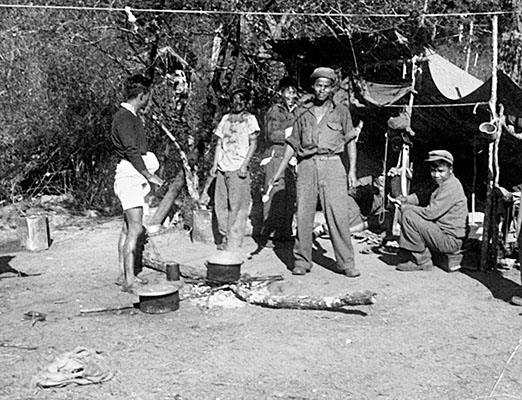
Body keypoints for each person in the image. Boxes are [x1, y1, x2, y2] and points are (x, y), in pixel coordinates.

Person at [271, 67, 363, 277]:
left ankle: (346, 262)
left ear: (331, 89)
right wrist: (279, 171)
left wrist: (352, 171)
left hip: (333, 165)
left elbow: (350, 142)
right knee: (304, 214)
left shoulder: (341, 111)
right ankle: (302, 261)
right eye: (318, 85)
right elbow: (292, 144)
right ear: (313, 87)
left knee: (338, 214)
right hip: (307, 165)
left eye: (326, 86)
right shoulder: (302, 112)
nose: (322, 90)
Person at [111, 74, 164, 292]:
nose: (148, 100)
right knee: (134, 229)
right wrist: (148, 174)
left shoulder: (130, 116)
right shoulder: (124, 118)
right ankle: (129, 279)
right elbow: (131, 150)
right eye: (148, 96)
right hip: (130, 176)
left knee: (127, 228)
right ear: (141, 96)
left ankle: (124, 273)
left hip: (132, 176)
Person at [390, 150, 468, 272]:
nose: (436, 175)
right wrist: (406, 199)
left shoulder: (451, 185)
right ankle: (416, 252)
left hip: (450, 240)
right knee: (405, 213)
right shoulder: (441, 183)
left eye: (441, 171)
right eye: (433, 171)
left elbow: (430, 213)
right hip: (439, 233)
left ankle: (421, 260)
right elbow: (423, 197)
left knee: (408, 215)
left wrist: (406, 207)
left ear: (450, 169)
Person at [210, 88, 259, 251]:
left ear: (246, 103)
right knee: (221, 204)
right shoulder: (225, 119)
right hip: (223, 167)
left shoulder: (250, 120)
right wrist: (215, 164)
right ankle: (224, 236)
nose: (237, 104)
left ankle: (235, 239)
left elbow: (253, 144)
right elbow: (219, 143)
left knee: (237, 205)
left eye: (241, 101)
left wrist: (245, 165)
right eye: (234, 100)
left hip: (238, 167)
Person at [259, 77, 298, 246]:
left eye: (293, 91)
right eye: (287, 91)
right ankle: (268, 234)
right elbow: (271, 135)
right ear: (280, 93)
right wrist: (290, 134)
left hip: (293, 155)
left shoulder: (298, 111)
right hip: (277, 152)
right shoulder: (275, 111)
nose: (290, 95)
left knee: (289, 193)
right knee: (274, 191)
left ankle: (284, 232)